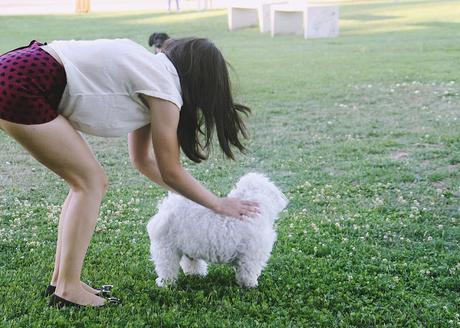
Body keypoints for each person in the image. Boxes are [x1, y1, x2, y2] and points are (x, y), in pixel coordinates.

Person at [0, 38, 260, 308]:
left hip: (18, 72)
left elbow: (143, 161)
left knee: (86, 182)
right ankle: (68, 288)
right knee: (89, 183)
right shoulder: (164, 90)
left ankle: (61, 282)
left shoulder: (152, 77)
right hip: (25, 81)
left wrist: (196, 199)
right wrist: (217, 204)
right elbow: (171, 172)